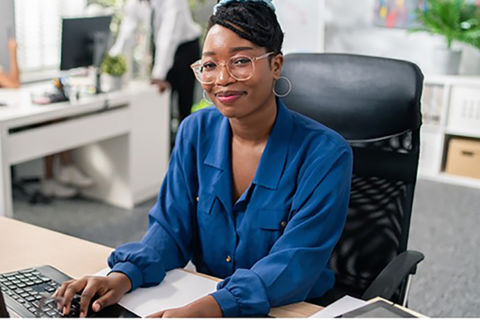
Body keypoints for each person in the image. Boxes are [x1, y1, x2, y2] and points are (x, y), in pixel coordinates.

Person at [54, 0, 353, 317]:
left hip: (291, 308)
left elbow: (295, 262)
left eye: (240, 61)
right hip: (206, 293)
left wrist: (207, 309)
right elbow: (170, 229)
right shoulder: (195, 132)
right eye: (210, 65)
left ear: (276, 65)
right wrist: (123, 275)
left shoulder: (326, 154)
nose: (222, 79)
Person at [109, 0, 201, 124]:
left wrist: (159, 75)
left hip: (184, 48)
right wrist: (112, 58)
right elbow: (128, 30)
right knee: (161, 102)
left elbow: (169, 35)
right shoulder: (135, 2)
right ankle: (166, 141)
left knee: (183, 105)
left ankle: (185, 140)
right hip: (161, 50)